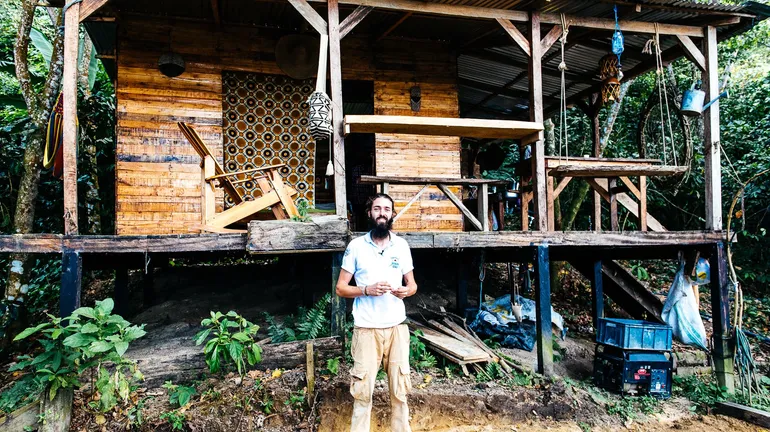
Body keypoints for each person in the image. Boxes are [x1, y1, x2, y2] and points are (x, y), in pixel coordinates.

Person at [335, 193, 418, 432]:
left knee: (400, 393)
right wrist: (366, 290)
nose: (382, 213)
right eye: (377, 208)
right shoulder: (356, 247)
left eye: (387, 209)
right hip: (366, 329)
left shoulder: (401, 245)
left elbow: (413, 285)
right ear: (369, 213)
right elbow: (340, 288)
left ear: (392, 214)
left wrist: (406, 291)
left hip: (396, 329)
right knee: (362, 393)